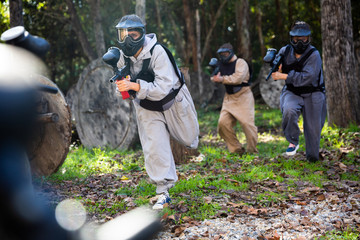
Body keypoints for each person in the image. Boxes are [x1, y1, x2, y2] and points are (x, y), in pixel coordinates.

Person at [113, 14, 199, 210]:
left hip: (173, 101)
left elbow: (162, 88)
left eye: (132, 35)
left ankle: (166, 186)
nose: (128, 40)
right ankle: (163, 191)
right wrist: (122, 88)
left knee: (190, 140)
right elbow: (121, 89)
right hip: (147, 107)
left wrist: (134, 85)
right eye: (123, 35)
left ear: (142, 35)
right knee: (154, 147)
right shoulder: (122, 57)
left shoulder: (158, 52)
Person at [271, 21, 326, 162]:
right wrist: (275, 65)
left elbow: (306, 78)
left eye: (303, 39)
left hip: (313, 93)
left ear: (309, 38)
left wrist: (283, 76)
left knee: (313, 137)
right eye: (296, 39)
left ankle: (312, 158)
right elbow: (277, 63)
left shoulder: (314, 55)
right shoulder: (285, 51)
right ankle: (293, 141)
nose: (299, 42)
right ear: (291, 38)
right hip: (292, 92)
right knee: (289, 110)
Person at [210, 43, 258, 155]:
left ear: (231, 52)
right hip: (229, 98)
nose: (223, 56)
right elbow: (214, 77)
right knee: (222, 124)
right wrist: (216, 75)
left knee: (247, 124)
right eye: (221, 54)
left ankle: (252, 151)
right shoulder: (221, 64)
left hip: (243, 96)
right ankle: (236, 149)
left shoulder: (240, 63)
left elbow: (238, 78)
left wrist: (221, 79)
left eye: (225, 53)